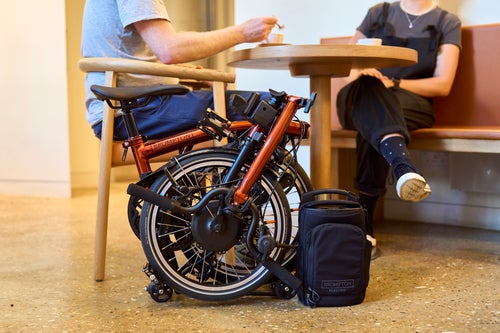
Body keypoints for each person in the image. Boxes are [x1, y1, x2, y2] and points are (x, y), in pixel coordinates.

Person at [336, 0, 461, 259]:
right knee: (372, 94)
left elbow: (443, 84)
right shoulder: (377, 14)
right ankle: (402, 166)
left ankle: (364, 220)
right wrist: (371, 79)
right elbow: (349, 65)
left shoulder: (446, 22)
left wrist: (392, 82)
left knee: (375, 119)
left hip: (411, 102)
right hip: (359, 96)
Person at [81, 0, 278, 140]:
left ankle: (228, 193)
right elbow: (170, 49)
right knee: (267, 107)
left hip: (131, 106)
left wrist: (189, 73)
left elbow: (128, 54)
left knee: (253, 109)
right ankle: (236, 197)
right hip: (135, 109)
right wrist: (242, 32)